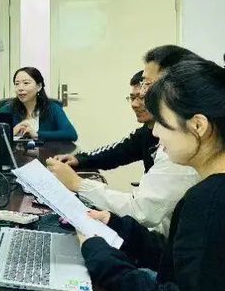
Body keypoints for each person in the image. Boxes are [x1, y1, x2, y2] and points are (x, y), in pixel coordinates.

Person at [79, 49, 225, 291]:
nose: (156, 133)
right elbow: (182, 262)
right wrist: (117, 225)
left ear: (198, 126)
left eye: (162, 122)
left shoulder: (209, 204)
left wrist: (98, 253)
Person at [47, 45, 200, 234]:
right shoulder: (167, 134)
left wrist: (79, 184)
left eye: (147, 84)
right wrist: (80, 161)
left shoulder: (183, 144)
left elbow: (144, 211)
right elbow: (119, 151)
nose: (141, 95)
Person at [55, 70, 157, 172]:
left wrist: (74, 180)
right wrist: (79, 159)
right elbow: (115, 153)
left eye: (142, 98)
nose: (134, 104)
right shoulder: (145, 132)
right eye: (132, 98)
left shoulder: (165, 141)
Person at [0, 67, 77, 141]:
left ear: (39, 86)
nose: (20, 88)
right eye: (17, 84)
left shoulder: (52, 108)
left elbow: (71, 134)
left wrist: (37, 135)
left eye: (26, 83)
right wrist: (11, 132)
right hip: (15, 151)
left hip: (47, 151)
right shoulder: (6, 109)